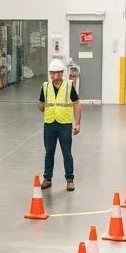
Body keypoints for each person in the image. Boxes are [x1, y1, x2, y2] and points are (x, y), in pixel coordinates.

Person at [39, 58, 81, 191]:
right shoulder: (45, 87)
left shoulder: (68, 86)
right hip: (49, 124)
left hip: (64, 124)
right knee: (49, 153)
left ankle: (70, 180)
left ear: (62, 73)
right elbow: (41, 105)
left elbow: (77, 104)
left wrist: (77, 123)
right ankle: (47, 178)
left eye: (57, 72)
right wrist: (43, 106)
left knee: (67, 153)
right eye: (52, 73)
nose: (54, 75)